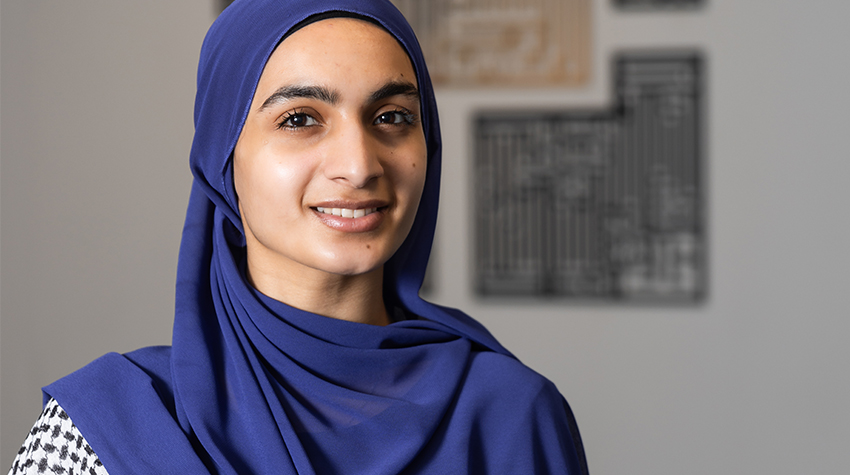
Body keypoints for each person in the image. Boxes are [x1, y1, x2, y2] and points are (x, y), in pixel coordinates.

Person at [9, 1, 588, 474]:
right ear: (222, 159)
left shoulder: (514, 414)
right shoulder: (103, 432)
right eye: (300, 119)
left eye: (391, 117)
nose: (359, 166)